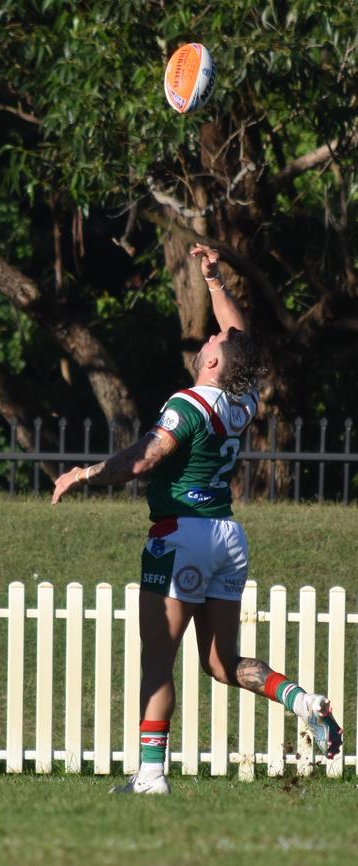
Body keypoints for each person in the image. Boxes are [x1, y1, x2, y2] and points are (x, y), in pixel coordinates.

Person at [52, 243, 342, 794]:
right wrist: (213, 282)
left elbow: (144, 458)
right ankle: (301, 700)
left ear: (211, 362)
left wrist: (86, 474)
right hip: (227, 538)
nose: (209, 336)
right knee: (221, 662)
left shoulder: (189, 403)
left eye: (210, 339)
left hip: (179, 534)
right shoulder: (241, 399)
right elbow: (242, 345)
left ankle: (152, 776)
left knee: (158, 658)